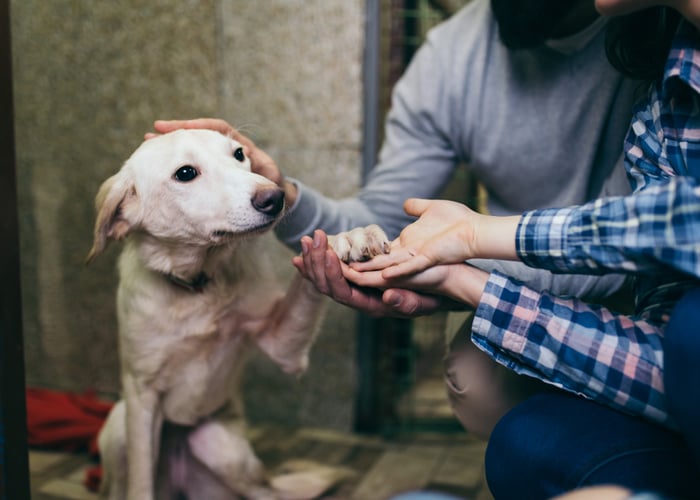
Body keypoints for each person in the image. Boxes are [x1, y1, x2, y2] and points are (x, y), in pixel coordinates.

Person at [151, 0, 694, 496]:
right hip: (563, 283)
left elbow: (645, 237)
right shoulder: (454, 55)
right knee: (494, 405)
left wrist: (468, 260)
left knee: (687, 338)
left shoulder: (649, 39)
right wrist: (283, 196)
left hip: (633, 291)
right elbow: (381, 215)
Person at [343, 0, 700, 497]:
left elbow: (675, 225)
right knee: (521, 441)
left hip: (616, 291)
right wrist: (460, 280)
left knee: (692, 328)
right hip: (652, 331)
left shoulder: (628, 55)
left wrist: (476, 239)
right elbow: (673, 367)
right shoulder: (664, 82)